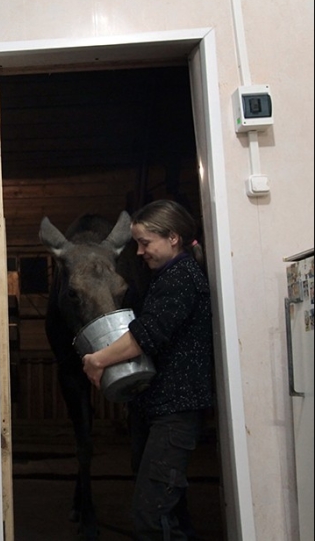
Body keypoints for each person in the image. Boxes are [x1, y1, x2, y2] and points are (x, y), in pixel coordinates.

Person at [81, 199, 214, 540]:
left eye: (144, 242)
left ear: (173, 238)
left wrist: (98, 359)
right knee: (170, 510)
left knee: (151, 515)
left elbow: (145, 335)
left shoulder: (181, 277)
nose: (139, 252)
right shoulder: (166, 276)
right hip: (158, 408)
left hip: (174, 412)